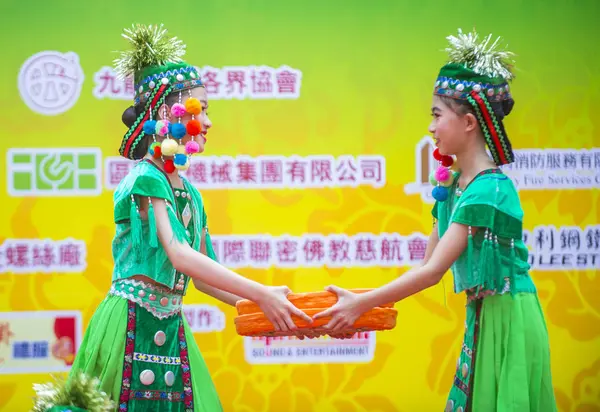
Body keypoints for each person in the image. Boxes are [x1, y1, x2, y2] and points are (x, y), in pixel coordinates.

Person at [67, 24, 311, 412]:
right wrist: (261, 294)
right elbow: (179, 255)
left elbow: (204, 276)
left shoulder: (191, 193)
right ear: (167, 111)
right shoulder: (146, 177)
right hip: (129, 322)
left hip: (169, 325)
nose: (210, 122)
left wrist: (263, 306)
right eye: (202, 108)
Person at [313, 29, 557, 411]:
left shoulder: (489, 189)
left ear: (469, 123)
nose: (430, 127)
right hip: (484, 314)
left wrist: (360, 305)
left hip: (509, 316)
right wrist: (365, 309)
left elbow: (431, 273)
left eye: (437, 115)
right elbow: (426, 267)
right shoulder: (455, 185)